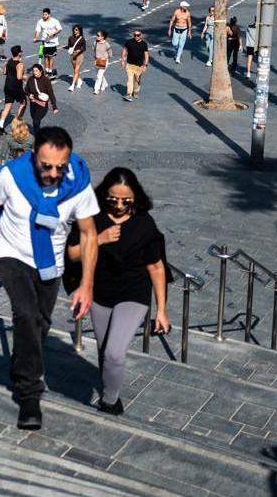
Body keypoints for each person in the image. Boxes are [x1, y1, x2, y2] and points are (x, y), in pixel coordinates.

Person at [0, 126, 100, 430]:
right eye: (46, 166)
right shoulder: (13, 176)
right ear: (34, 157)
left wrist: (86, 284)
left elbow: (88, 234)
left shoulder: (78, 183)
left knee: (40, 324)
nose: (53, 173)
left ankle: (21, 364)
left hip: (51, 264)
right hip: (12, 254)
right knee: (27, 314)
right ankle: (30, 394)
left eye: (61, 166)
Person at [65, 167, 167, 415]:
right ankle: (111, 394)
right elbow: (73, 254)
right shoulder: (93, 217)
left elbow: (156, 267)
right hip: (100, 292)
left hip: (133, 293)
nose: (119, 205)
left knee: (115, 352)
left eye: (126, 200)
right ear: (104, 194)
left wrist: (162, 310)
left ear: (135, 197)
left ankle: (109, 403)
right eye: (113, 199)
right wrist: (99, 239)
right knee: (104, 352)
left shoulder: (144, 223)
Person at [23, 64, 58, 131]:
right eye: (33, 71)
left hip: (42, 105)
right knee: (36, 121)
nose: (34, 72)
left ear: (41, 71)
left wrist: (54, 107)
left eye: (36, 71)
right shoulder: (31, 79)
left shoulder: (46, 80)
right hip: (33, 104)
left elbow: (51, 94)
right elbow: (26, 90)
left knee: (35, 121)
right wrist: (29, 94)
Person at [0, 45, 25, 129]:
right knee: (23, 102)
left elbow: (4, 72)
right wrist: (26, 77)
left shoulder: (9, 61)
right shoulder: (20, 64)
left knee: (7, 107)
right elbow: (19, 77)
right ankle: (18, 121)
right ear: (19, 53)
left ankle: (1, 125)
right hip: (16, 87)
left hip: (7, 86)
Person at [121, 30, 150, 102]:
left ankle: (136, 91)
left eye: (138, 35)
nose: (136, 36)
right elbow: (124, 49)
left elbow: (146, 55)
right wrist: (123, 60)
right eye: (135, 35)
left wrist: (145, 65)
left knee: (137, 81)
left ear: (141, 35)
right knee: (129, 80)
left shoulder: (144, 44)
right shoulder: (129, 42)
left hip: (139, 66)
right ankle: (129, 94)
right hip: (130, 65)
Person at [33, 8, 63, 78]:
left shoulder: (54, 21)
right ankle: (46, 70)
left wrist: (53, 33)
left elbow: (60, 29)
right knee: (45, 56)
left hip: (53, 42)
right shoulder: (40, 21)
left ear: (49, 14)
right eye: (43, 14)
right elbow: (37, 30)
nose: (44, 16)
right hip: (44, 42)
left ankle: (50, 71)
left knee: (51, 57)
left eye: (45, 14)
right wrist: (36, 38)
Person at [90, 30, 113, 95]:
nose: (96, 36)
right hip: (97, 60)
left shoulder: (106, 44)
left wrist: (106, 59)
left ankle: (96, 89)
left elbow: (110, 53)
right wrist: (95, 58)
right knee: (99, 75)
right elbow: (94, 50)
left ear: (102, 37)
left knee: (99, 75)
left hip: (104, 61)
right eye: (96, 35)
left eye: (98, 35)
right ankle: (105, 84)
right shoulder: (95, 42)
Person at [65, 25, 86, 92]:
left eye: (76, 29)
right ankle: (79, 81)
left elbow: (84, 48)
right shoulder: (70, 38)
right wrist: (64, 47)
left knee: (76, 70)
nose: (75, 30)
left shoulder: (82, 39)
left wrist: (79, 50)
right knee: (75, 70)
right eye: (74, 29)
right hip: (72, 55)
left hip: (79, 56)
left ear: (79, 30)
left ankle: (72, 85)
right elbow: (69, 46)